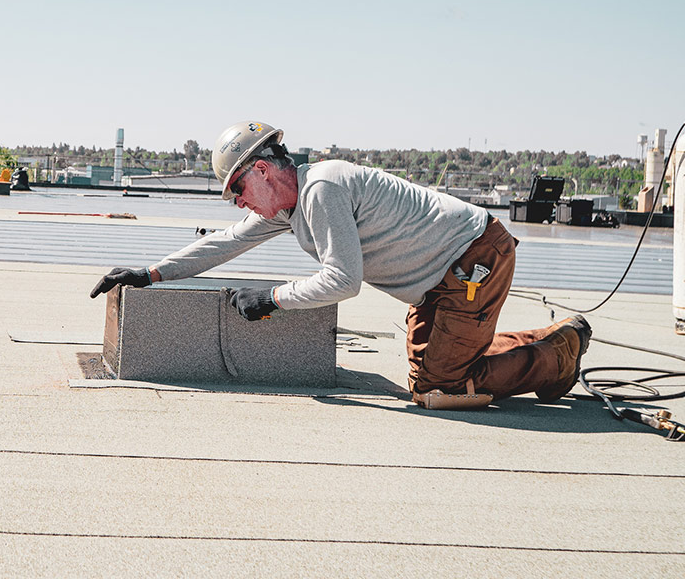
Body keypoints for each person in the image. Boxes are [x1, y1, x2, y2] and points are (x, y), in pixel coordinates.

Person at [89, 120, 591, 410]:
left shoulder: (322, 189)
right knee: (430, 375)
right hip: (439, 281)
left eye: (237, 190)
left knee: (443, 388)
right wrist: (150, 273)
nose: (238, 204)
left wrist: (274, 299)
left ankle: (558, 354)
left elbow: (343, 281)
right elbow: (224, 243)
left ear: (261, 170)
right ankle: (536, 344)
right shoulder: (289, 207)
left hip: (472, 260)